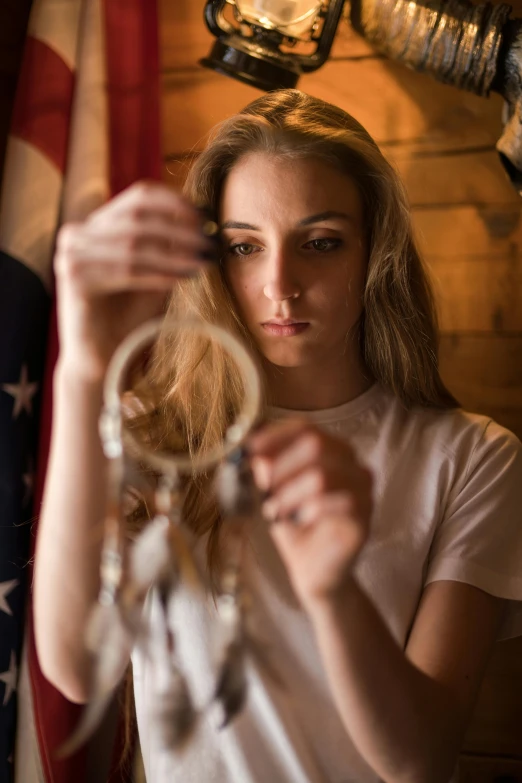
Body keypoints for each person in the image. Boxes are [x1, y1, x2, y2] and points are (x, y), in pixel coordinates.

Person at [34, 89, 522, 783]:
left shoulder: (471, 458)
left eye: (320, 243)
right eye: (244, 247)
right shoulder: (152, 433)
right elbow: (76, 666)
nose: (279, 285)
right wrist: (81, 371)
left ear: (373, 251)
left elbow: (422, 759)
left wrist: (333, 591)